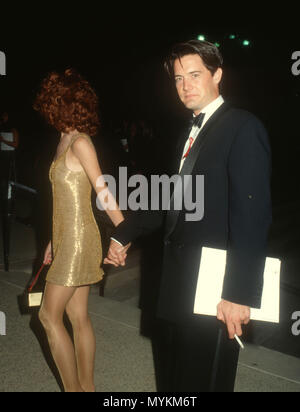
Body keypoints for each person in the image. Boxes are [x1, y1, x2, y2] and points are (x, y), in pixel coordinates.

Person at [104, 40, 272, 392]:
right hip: (180, 282)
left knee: (206, 377)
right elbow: (174, 198)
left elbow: (252, 217)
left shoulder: (242, 127)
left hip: (215, 286)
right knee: (177, 376)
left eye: (195, 75)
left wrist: (239, 293)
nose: (185, 86)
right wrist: (125, 232)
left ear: (218, 75)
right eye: (178, 78)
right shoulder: (188, 131)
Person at [33, 68, 129, 392]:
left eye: (51, 102)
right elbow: (65, 198)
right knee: (77, 316)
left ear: (63, 103)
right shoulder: (62, 139)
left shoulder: (80, 143)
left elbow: (102, 190)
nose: (46, 108)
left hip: (79, 240)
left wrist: (123, 233)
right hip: (67, 238)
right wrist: (51, 240)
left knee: (47, 316)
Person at [0, 111, 19, 203]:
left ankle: (7, 198)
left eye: (5, 115)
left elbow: (15, 144)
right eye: (3, 115)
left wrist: (3, 141)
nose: (3, 117)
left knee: (6, 178)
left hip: (8, 156)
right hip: (2, 154)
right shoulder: (2, 127)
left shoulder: (13, 129)